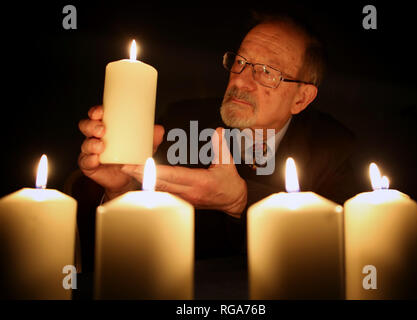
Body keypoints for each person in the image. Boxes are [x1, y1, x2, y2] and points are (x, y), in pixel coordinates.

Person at [77, 13, 359, 269]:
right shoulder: (181, 121)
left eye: (267, 72)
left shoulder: (335, 149)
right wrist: (122, 190)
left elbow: (337, 254)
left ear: (301, 98)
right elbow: (129, 255)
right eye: (240, 62)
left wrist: (242, 201)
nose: (241, 81)